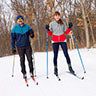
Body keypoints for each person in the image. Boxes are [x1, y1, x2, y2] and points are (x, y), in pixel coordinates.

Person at [46, 11, 75, 76]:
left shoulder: (63, 23)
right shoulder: (51, 23)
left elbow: (67, 32)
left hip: (62, 40)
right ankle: (55, 69)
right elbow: (50, 34)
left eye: (58, 15)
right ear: (54, 16)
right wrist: (48, 29)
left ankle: (70, 67)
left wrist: (70, 28)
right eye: (56, 15)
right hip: (55, 41)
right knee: (55, 55)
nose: (57, 17)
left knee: (66, 54)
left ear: (59, 16)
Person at [11, 15, 34, 79]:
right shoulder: (14, 29)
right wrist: (13, 47)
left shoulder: (27, 27)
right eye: (18, 20)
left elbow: (32, 34)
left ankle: (31, 72)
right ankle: (24, 73)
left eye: (21, 20)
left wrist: (32, 34)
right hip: (20, 47)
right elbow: (12, 39)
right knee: (22, 60)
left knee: (30, 59)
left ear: (23, 20)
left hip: (27, 46)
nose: (20, 21)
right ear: (17, 21)